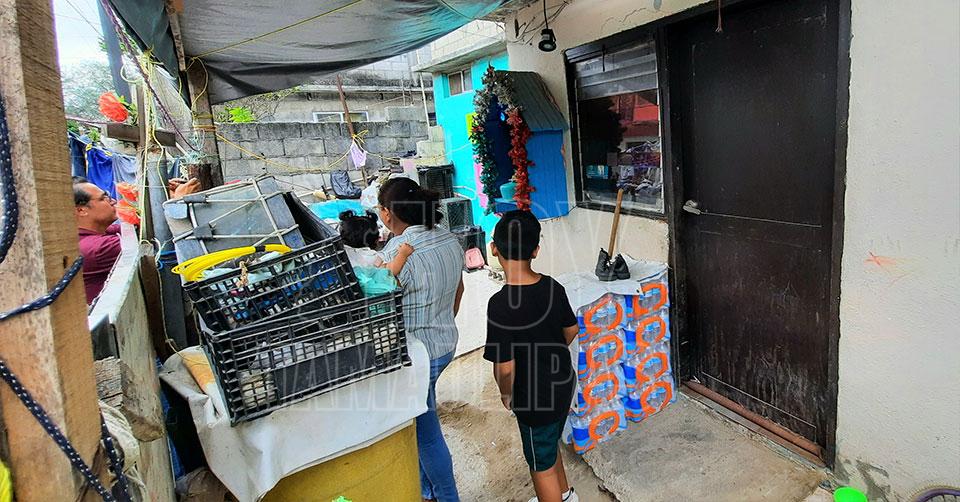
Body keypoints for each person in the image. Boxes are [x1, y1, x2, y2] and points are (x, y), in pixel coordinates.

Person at [377, 177, 465, 502]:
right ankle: (427, 490)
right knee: (422, 415)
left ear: (388, 213)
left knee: (427, 435)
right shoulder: (449, 238)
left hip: (418, 356)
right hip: (446, 344)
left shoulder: (397, 253)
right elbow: (459, 290)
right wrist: (441, 321)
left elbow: (380, 309)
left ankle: (446, 496)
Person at [483, 210, 580, 502]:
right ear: (536, 250)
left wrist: (506, 394)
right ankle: (566, 495)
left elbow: (505, 369)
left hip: (533, 400)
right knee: (549, 447)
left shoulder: (500, 305)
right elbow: (571, 329)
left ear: (494, 248)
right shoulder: (552, 287)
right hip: (563, 384)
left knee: (541, 467)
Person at [74, 175, 199, 303]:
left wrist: (161, 195)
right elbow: (155, 243)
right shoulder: (97, 248)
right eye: (103, 198)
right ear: (82, 210)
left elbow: (141, 226)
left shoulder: (93, 233)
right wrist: (176, 203)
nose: (112, 201)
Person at [338, 209, 413, 277]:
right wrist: (403, 255)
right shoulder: (371, 256)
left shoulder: (340, 251)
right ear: (376, 240)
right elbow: (389, 271)